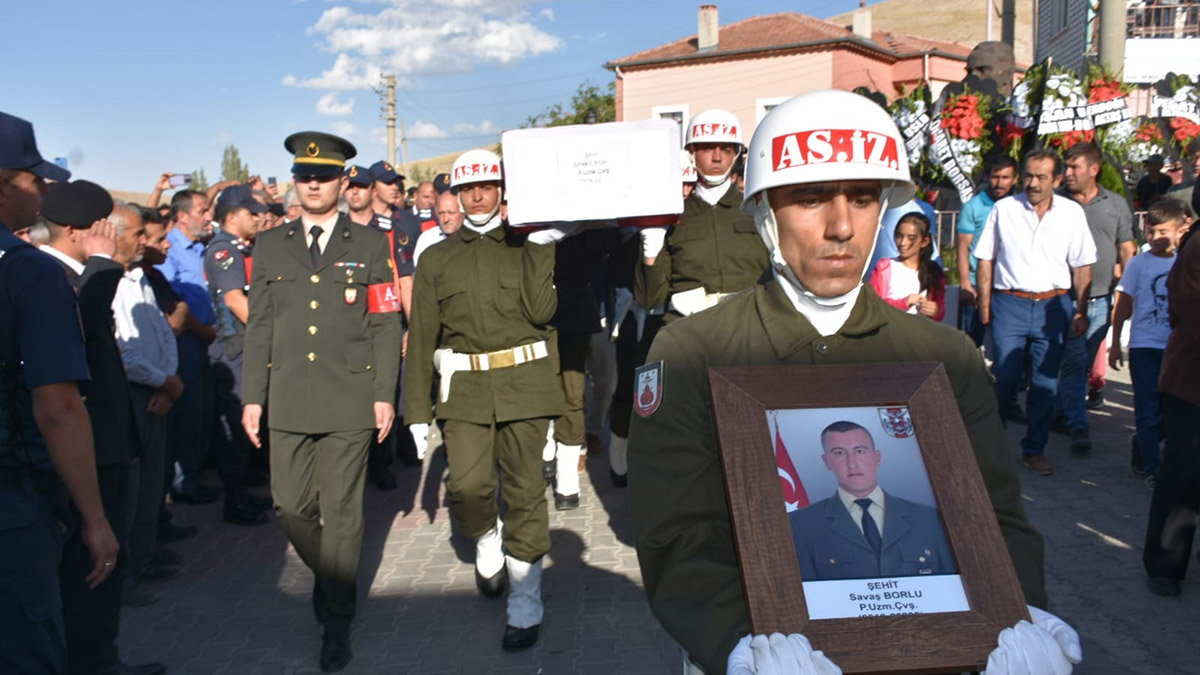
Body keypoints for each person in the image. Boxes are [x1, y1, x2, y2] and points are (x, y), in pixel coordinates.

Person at [628, 91, 1077, 675]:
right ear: (765, 213)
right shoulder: (689, 351)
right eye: (811, 198)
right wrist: (735, 643)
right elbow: (677, 535)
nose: (841, 226)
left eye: (863, 199)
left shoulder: (944, 356)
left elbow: (994, 515)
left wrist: (1021, 612)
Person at [241, 131, 402, 672]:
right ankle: (332, 579)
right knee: (289, 506)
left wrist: (384, 393)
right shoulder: (271, 244)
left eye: (325, 176)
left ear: (342, 181)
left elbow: (384, 322)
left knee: (343, 511)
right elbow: (259, 325)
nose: (314, 183)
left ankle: (337, 619)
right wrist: (252, 397)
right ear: (294, 182)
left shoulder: (371, 245)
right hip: (286, 395)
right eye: (305, 176)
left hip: (349, 396)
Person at [404, 148, 567, 652]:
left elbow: (543, 312)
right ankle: (485, 536)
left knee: (524, 493)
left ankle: (525, 597)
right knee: (470, 487)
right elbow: (423, 334)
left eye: (487, 186)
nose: (478, 196)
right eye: (468, 188)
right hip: (465, 391)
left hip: (525, 386)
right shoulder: (435, 257)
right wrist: (416, 411)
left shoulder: (528, 246)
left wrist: (541, 249)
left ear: (501, 190)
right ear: (455, 194)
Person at [0, 110, 120, 674]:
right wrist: (94, 517)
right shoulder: (29, 273)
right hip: (13, 504)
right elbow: (58, 408)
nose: (45, 189)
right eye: (33, 178)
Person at [974, 149, 1097, 477]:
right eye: (1028, 176)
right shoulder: (1004, 209)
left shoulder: (1072, 214)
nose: (1033, 183)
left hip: (1052, 308)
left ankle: (1034, 449)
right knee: (1006, 377)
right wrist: (985, 303)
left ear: (1057, 180)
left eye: (1041, 177)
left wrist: (1080, 311)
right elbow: (985, 257)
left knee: (1044, 383)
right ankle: (993, 449)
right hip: (1009, 304)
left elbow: (1083, 266)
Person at [635, 109, 770, 321]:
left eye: (726, 150)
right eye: (707, 148)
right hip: (688, 329)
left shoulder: (758, 210)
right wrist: (650, 252)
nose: (717, 157)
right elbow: (650, 300)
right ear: (692, 152)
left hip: (750, 325)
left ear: (736, 155)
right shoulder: (671, 215)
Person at [111, 206, 182, 607]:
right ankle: (126, 575)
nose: (146, 242)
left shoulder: (140, 279)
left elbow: (163, 333)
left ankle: (145, 554)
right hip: (136, 393)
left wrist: (169, 380)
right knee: (130, 492)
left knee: (153, 483)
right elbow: (122, 351)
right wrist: (162, 380)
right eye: (139, 234)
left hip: (158, 390)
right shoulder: (111, 284)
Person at [789, 421, 954, 581]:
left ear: (877, 457)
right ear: (827, 462)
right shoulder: (802, 524)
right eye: (839, 453)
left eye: (860, 451)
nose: (852, 463)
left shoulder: (930, 519)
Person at [1053, 142, 1135, 453]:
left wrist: (1130, 290)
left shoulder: (1114, 203)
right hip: (1064, 298)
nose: (1068, 173)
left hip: (1101, 299)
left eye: (1075, 167)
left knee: (1083, 362)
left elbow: (1127, 248)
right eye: (1067, 166)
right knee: (1074, 363)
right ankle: (1078, 425)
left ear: (1094, 169)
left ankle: (1061, 412)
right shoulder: (1057, 203)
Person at [204, 185, 272, 525]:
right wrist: (272, 335)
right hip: (236, 349)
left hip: (247, 346)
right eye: (250, 213)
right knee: (238, 428)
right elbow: (234, 300)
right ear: (231, 217)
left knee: (251, 428)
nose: (258, 217)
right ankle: (235, 502)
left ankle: (244, 493)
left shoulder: (241, 248)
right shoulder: (223, 251)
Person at [1142, 212, 1200, 597]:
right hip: (1191, 382)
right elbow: (1191, 305)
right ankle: (1165, 564)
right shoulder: (1197, 244)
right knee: (1184, 475)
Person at [1109, 198, 1186, 487]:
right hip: (1144, 346)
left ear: (1180, 230)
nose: (1155, 238)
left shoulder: (1184, 261)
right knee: (1146, 406)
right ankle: (1154, 467)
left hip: (1176, 347)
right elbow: (1124, 302)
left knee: (1172, 408)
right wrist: (1115, 342)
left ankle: (1144, 443)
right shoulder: (1139, 264)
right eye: (1150, 231)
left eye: (1162, 231)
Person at [157, 189, 220, 504]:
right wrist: (199, 328)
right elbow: (170, 304)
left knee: (203, 412)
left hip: (206, 338)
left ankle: (193, 476)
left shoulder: (200, 247)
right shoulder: (169, 251)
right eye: (202, 210)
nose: (208, 216)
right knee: (188, 414)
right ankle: (183, 483)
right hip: (187, 342)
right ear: (182, 216)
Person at [957, 156, 1019, 345]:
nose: (999, 183)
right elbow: (962, 248)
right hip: (977, 285)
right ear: (987, 177)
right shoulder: (973, 207)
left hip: (1007, 286)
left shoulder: (1018, 207)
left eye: (1005, 177)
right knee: (971, 343)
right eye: (995, 177)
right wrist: (965, 283)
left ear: (1015, 179)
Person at [868, 211, 946, 320]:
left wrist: (936, 310)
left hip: (920, 333)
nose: (903, 243)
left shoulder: (934, 272)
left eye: (911, 238)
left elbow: (940, 309)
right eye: (899, 236)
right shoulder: (884, 268)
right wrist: (903, 303)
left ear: (924, 242)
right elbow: (871, 305)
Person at [413, 189, 463, 267]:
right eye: (441, 213)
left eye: (451, 213)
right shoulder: (427, 239)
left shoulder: (474, 237)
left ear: (463, 212)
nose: (446, 219)